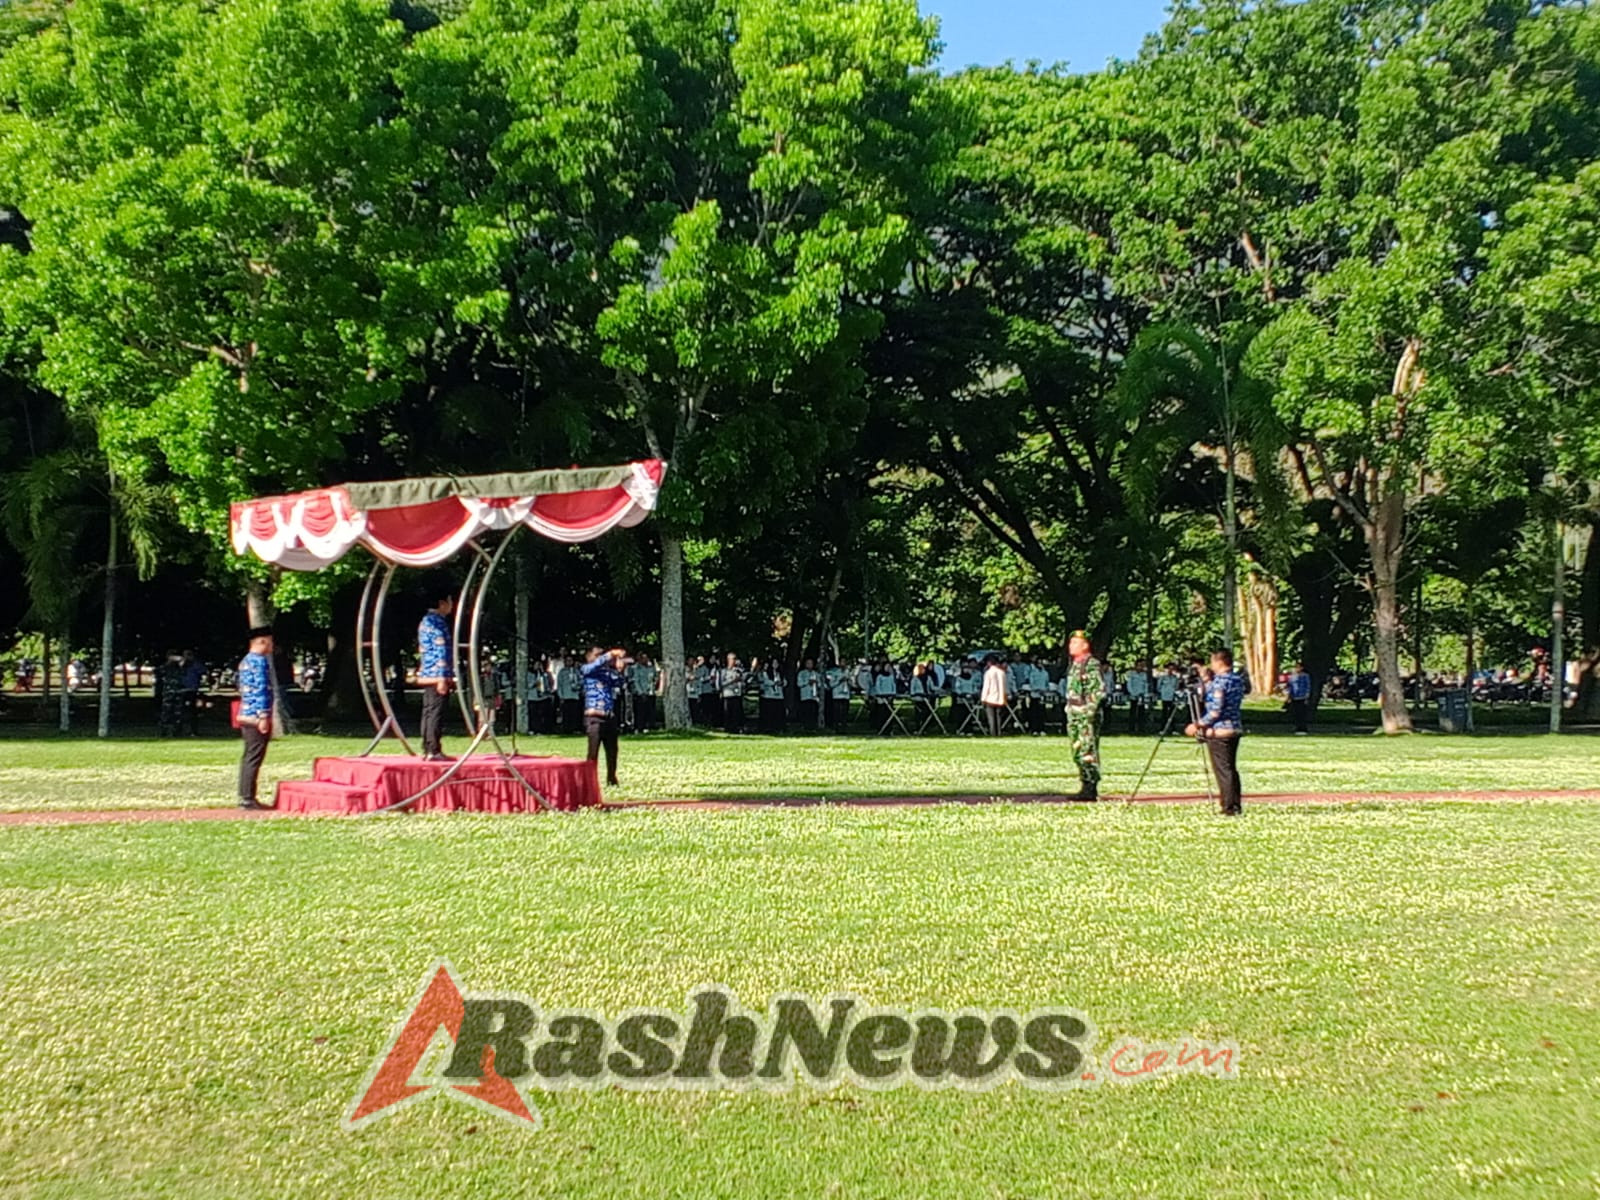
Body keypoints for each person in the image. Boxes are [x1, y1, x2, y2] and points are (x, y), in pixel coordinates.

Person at [1188, 647, 1245, 815]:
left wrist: (1198, 725)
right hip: (1235, 727)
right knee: (1231, 768)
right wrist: (1206, 680)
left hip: (1220, 731)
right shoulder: (1236, 679)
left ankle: (1228, 806)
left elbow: (1215, 710)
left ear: (1219, 662)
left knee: (1223, 770)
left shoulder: (1220, 682)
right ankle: (1236, 803)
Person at [1062, 631, 1107, 801]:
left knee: (1087, 750)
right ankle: (1085, 783)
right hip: (1074, 714)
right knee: (1077, 750)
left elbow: (1098, 691)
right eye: (1071, 642)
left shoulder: (1091, 664)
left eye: (1075, 642)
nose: (1071, 646)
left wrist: (1089, 712)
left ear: (1085, 645)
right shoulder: (1075, 664)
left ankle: (1090, 786)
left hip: (1085, 716)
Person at [236, 626, 276, 810]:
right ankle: (247, 797)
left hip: (246, 714)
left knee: (249, 756)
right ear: (262, 642)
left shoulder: (245, 661)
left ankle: (246, 795)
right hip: (255, 716)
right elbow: (260, 689)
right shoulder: (259, 662)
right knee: (254, 756)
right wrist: (263, 716)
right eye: (269, 641)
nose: (272, 645)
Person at [416, 591, 455, 761]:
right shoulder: (437, 623)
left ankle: (428, 746)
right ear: (442, 603)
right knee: (435, 712)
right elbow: (440, 650)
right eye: (449, 601)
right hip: (436, 674)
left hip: (428, 672)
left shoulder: (426, 621)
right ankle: (433, 748)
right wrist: (441, 677)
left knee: (429, 711)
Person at [581, 646, 628, 786]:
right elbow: (594, 665)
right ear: (590, 657)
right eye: (598, 655)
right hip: (594, 718)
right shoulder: (587, 670)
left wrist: (621, 670)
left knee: (613, 751)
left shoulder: (607, 674)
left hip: (609, 717)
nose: (602, 658)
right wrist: (610, 654)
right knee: (593, 752)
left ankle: (611, 778)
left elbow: (619, 682)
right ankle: (589, 781)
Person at [629, 653, 661, 732]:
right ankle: (639, 727)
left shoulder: (651, 668)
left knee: (651, 711)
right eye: (643, 658)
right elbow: (636, 681)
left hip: (650, 692)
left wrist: (656, 682)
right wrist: (640, 693)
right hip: (640, 694)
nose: (646, 660)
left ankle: (651, 726)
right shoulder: (636, 668)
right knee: (640, 712)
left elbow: (655, 679)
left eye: (647, 658)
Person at [157, 650, 185, 738]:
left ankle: (177, 732)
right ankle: (163, 732)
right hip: (168, 692)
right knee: (166, 713)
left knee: (178, 713)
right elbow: (158, 672)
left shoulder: (180, 667)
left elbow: (183, 661)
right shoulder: (165, 667)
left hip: (178, 692)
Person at [980, 655, 1008, 736]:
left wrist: (983, 698)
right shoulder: (1002, 673)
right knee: (998, 717)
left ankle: (993, 733)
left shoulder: (988, 673)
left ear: (989, 663)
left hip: (990, 698)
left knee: (991, 718)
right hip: (1000, 698)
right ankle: (999, 732)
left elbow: (986, 686)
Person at [180, 649, 205, 736]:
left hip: (192, 690)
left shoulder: (196, 664)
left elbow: (202, 671)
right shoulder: (181, 665)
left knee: (193, 712)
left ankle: (193, 731)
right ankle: (179, 730)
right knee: (180, 712)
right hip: (182, 690)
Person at [528, 656, 555, 734]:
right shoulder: (529, 674)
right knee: (533, 715)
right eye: (537, 665)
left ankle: (543, 729)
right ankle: (533, 729)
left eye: (540, 665)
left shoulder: (545, 674)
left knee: (543, 714)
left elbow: (549, 684)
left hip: (543, 697)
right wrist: (534, 683)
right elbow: (527, 686)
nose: (538, 666)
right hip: (533, 697)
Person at [556, 654, 583, 733]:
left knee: (575, 713)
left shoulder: (576, 671)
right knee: (566, 713)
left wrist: (578, 687)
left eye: (570, 661)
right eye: (567, 661)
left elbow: (581, 682)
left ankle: (575, 728)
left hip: (575, 696)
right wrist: (561, 696)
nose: (569, 662)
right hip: (566, 695)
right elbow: (559, 684)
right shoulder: (562, 672)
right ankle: (566, 729)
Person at [720, 652, 745, 732]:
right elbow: (722, 683)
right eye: (732, 659)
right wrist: (732, 681)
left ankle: (736, 727)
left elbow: (743, 682)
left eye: (735, 659)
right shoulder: (724, 671)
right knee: (727, 713)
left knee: (736, 713)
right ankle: (727, 728)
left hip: (737, 694)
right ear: (728, 660)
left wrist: (741, 681)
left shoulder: (738, 671)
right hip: (728, 694)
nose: (734, 661)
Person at [1125, 659, 1151, 735]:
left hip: (1141, 695)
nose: (1141, 667)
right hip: (1133, 695)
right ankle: (1131, 728)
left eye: (1142, 665)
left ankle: (1141, 728)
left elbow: (1146, 685)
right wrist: (1133, 693)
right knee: (1133, 712)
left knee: (1141, 712)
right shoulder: (1131, 674)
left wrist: (1145, 694)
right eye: (1139, 665)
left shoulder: (1144, 675)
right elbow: (1129, 685)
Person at [1286, 661, 1312, 735]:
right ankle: (1297, 727)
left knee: (1302, 713)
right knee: (1295, 713)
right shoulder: (1292, 677)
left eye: (1298, 667)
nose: (1297, 668)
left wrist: (1307, 696)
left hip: (1302, 697)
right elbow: (1290, 687)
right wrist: (1289, 696)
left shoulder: (1305, 676)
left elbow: (1308, 686)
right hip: (1294, 697)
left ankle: (1303, 728)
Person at [825, 659, 851, 730]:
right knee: (837, 712)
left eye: (844, 662)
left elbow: (853, 683)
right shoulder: (834, 672)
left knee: (844, 712)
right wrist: (839, 681)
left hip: (846, 695)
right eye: (842, 662)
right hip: (837, 695)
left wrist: (849, 681)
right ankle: (836, 726)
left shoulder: (848, 672)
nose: (843, 664)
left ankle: (844, 726)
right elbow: (831, 684)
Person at [796, 658, 821, 731]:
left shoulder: (816, 674)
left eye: (811, 663)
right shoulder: (802, 673)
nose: (810, 665)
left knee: (813, 712)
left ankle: (813, 727)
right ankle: (805, 727)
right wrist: (807, 682)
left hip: (814, 697)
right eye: (808, 663)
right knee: (805, 712)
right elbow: (799, 684)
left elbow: (820, 684)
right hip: (805, 696)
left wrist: (816, 683)